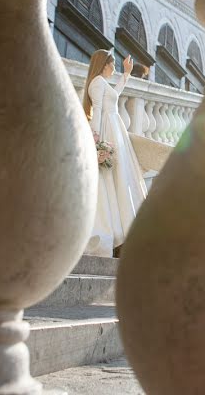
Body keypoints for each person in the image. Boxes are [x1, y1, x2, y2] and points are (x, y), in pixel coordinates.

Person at [83, 49, 149, 257]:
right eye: (112, 65)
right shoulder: (97, 83)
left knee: (121, 178)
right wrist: (96, 143)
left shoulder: (103, 83)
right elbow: (98, 113)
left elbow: (115, 96)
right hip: (108, 131)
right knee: (111, 180)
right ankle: (112, 230)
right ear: (104, 64)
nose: (114, 68)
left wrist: (127, 74)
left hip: (115, 129)